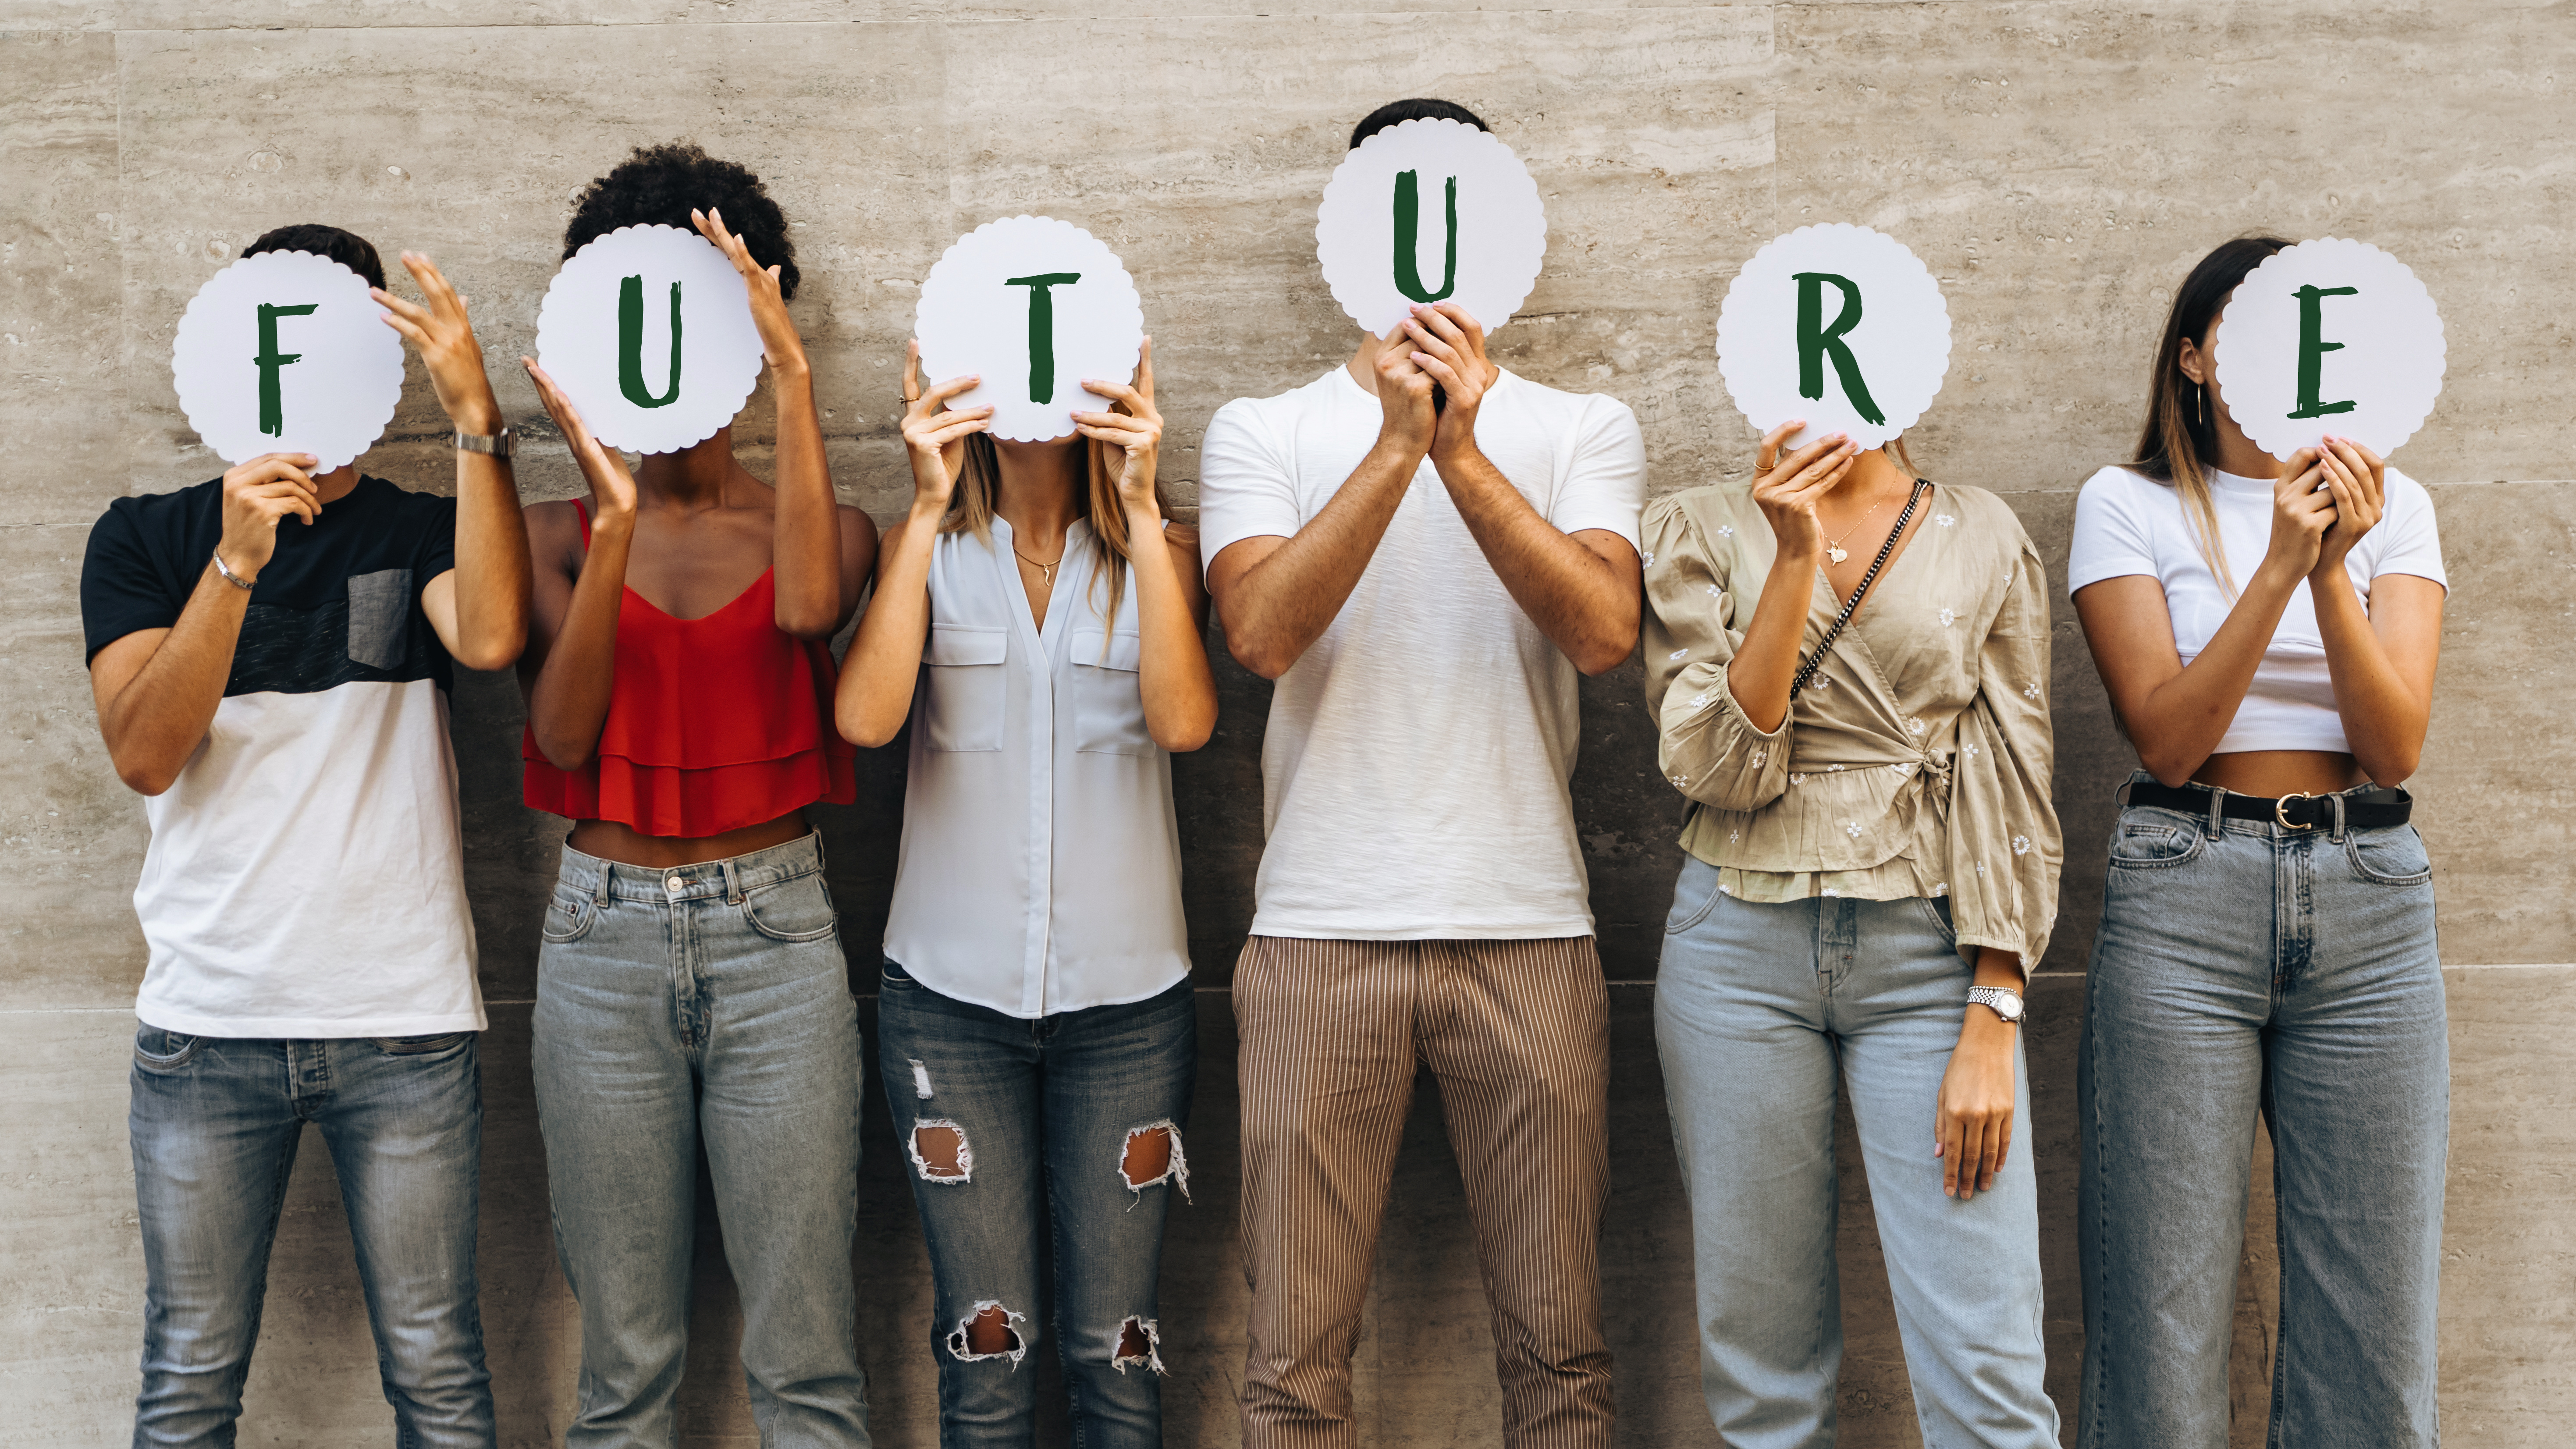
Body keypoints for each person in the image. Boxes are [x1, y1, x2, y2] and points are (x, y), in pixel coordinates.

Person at [1197, 97, 1645, 1449]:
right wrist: (1398, 443)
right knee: (1289, 1367)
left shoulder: (1582, 427)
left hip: (1528, 930)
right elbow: (1262, 634)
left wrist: (1459, 445)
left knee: (1562, 1355)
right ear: (1349, 233)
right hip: (1317, 932)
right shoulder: (1258, 430)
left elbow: (1602, 630)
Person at [81, 223, 530, 1447]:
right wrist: (233, 563)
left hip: (402, 1023)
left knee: (439, 1378)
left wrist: (477, 424)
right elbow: (144, 753)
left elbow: (490, 640)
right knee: (187, 1382)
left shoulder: (421, 527)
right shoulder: (143, 536)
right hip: (207, 1028)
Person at [516, 144, 878, 1446]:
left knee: (807, 1365)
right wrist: (611, 521)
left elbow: (807, 607)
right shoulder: (555, 531)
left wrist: (789, 371)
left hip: (776, 933)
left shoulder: (826, 525)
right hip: (598, 935)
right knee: (623, 1375)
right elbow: (560, 742)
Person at [2068, 236, 2448, 1449]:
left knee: (2371, 1326)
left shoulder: (2401, 507)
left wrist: (2330, 568)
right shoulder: (2123, 504)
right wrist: (2276, 559)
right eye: (2246, 323)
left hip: (2368, 893)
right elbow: (2166, 739)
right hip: (2186, 885)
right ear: (2191, 356)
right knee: (2159, 1313)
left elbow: (2392, 747)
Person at [1640, 409, 2062, 1445]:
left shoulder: (1979, 530)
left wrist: (1993, 1010)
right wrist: (1788, 559)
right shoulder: (1694, 526)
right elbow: (1714, 768)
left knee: (1988, 1368)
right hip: (1733, 946)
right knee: (1762, 1369)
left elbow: (2015, 780)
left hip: (1928, 947)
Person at [837, 329, 1212, 1445]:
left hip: (1130, 1010)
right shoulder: (930, 554)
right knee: (988, 1354)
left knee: (1119, 1355)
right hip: (948, 1011)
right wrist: (921, 505)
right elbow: (863, 721)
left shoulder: (1156, 550)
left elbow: (1186, 724)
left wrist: (1142, 509)